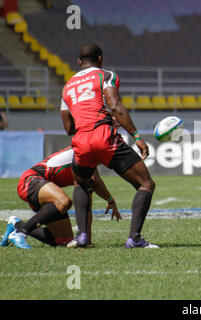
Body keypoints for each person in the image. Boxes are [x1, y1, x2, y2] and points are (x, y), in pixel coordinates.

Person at [60, 43, 157, 249]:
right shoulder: (105, 76)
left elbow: (68, 127)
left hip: (81, 141)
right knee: (145, 184)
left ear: (79, 62)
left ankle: (83, 236)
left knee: (82, 183)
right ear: (101, 59)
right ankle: (134, 239)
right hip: (103, 136)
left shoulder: (67, 87)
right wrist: (136, 136)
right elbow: (114, 105)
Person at [1, 146, 121, 249]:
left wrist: (86, 239)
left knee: (64, 241)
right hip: (30, 180)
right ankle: (21, 233)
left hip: (43, 188)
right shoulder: (83, 156)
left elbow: (87, 203)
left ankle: (17, 225)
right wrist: (110, 200)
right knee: (64, 202)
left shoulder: (90, 164)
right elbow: (93, 187)